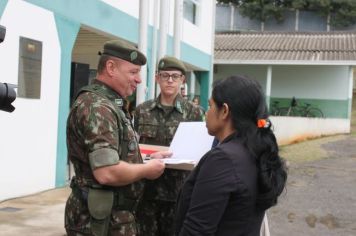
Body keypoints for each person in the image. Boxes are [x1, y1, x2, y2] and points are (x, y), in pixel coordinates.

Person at [64, 39, 168, 236]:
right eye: (133, 72)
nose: (138, 79)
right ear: (111, 68)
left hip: (111, 219)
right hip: (100, 224)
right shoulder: (98, 107)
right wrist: (147, 169)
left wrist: (144, 160)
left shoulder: (109, 103)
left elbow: (115, 156)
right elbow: (107, 172)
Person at [175, 75, 288, 236]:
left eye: (210, 106)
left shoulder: (223, 159)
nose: (206, 113)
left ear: (224, 111)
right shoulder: (254, 150)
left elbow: (196, 230)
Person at [134, 56, 204, 236]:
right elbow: (135, 148)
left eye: (175, 76)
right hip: (147, 192)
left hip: (178, 193)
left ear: (183, 80)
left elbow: (198, 152)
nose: (170, 80)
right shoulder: (142, 111)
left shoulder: (194, 112)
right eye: (165, 76)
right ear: (157, 78)